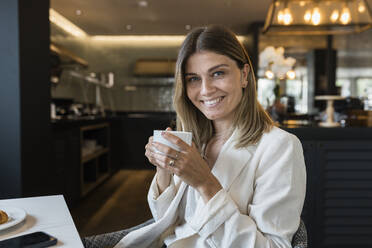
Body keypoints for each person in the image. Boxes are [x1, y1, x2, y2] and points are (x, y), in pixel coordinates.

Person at [115, 25, 306, 248]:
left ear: (244, 75)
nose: (205, 90)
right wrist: (164, 171)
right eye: (193, 78)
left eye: (218, 73)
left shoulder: (280, 147)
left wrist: (206, 183)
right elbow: (167, 224)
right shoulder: (196, 140)